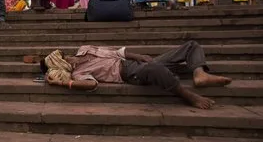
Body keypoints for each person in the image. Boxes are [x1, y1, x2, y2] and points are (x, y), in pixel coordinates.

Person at [40, 41, 232, 110]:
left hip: (135, 63)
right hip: (131, 73)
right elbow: (92, 86)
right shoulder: (78, 74)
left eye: (65, 54)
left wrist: (140, 56)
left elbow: (117, 52)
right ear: (62, 66)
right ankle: (188, 95)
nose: (68, 57)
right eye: (64, 59)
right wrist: (64, 84)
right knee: (154, 70)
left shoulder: (84, 49)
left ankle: (199, 74)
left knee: (191, 45)